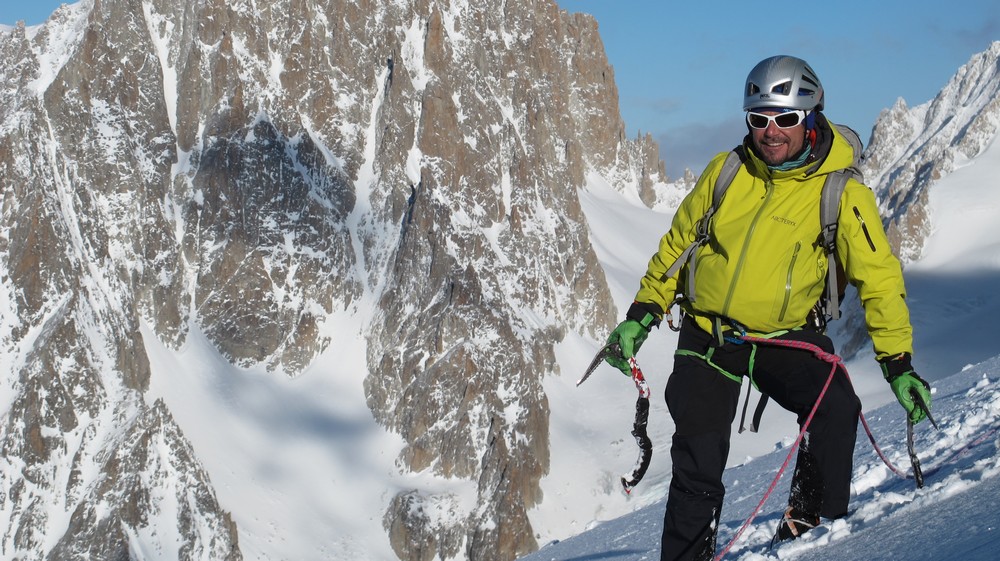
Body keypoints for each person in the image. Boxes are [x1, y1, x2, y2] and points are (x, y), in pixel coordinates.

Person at [603, 55, 933, 561]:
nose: (771, 132)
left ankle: (811, 532)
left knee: (835, 407)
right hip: (708, 335)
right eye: (759, 119)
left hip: (782, 336)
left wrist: (897, 363)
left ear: (811, 116)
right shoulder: (728, 172)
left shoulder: (841, 192)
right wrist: (642, 314)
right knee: (697, 463)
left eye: (784, 118)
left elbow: (879, 279)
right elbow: (677, 247)